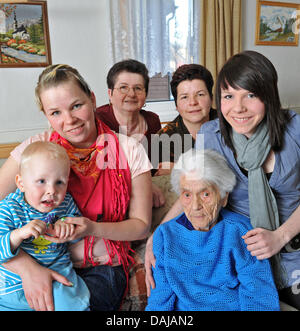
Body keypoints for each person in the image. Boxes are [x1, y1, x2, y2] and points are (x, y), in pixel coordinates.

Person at [145, 50, 300, 309]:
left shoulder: (295, 129)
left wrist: (280, 236)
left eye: (250, 95)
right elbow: (194, 188)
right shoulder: (212, 135)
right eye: (229, 96)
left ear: (269, 95)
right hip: (245, 252)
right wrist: (156, 236)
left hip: (292, 245)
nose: (238, 108)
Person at [0, 64, 152, 311]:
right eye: (55, 113)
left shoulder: (129, 150)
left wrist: (92, 228)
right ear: (46, 116)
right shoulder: (34, 149)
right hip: (36, 261)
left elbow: (141, 226)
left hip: (101, 268)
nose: (69, 120)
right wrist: (28, 269)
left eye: (76, 106)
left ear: (92, 100)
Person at [146, 149, 280, 311]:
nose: (195, 206)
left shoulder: (241, 232)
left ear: (224, 197)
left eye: (206, 194)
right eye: (187, 195)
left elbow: (259, 297)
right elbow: (160, 300)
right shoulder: (165, 236)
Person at [0, 141, 90, 311]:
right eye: (41, 181)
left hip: (58, 278)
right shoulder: (9, 208)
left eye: (59, 182)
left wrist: (66, 226)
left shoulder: (66, 204)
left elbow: (78, 233)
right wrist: (18, 234)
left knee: (74, 305)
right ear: (21, 183)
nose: (51, 190)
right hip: (12, 287)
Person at [95, 59, 164, 208]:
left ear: (145, 94)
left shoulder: (153, 121)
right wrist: (144, 185)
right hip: (108, 196)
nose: (131, 94)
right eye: (123, 87)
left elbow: (155, 166)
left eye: (138, 88)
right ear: (110, 93)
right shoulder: (98, 119)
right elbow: (98, 171)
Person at [154, 64, 217, 176]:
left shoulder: (229, 124)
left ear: (211, 98)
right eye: (184, 97)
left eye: (200, 94)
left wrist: (180, 169)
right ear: (176, 105)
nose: (193, 102)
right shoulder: (164, 139)